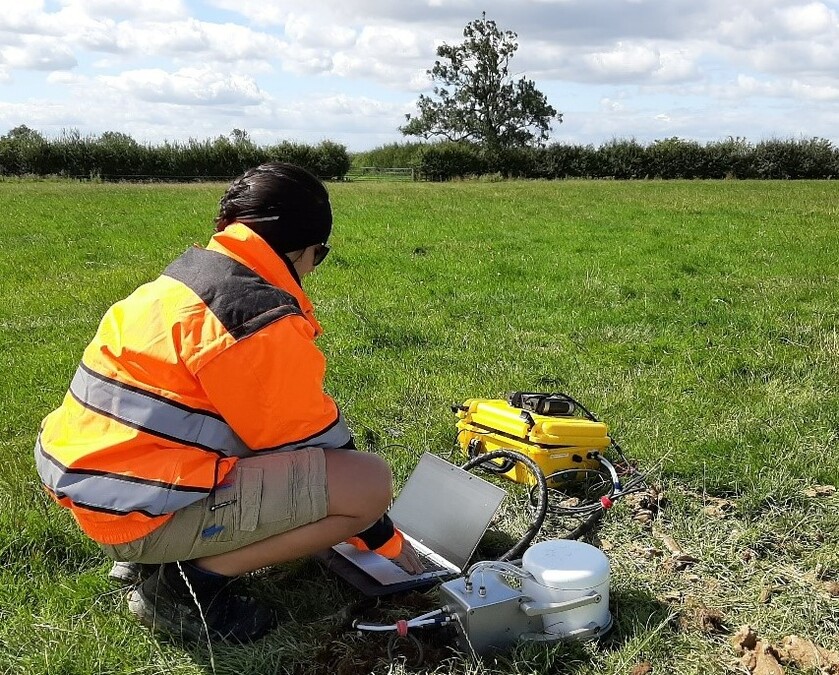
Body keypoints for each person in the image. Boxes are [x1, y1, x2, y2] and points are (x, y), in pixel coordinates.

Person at [34, 162, 423, 643]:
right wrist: (383, 536)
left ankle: (152, 561)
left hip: (101, 489)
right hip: (136, 513)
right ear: (300, 250)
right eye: (318, 255)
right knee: (367, 483)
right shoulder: (252, 316)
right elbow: (320, 448)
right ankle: (182, 589)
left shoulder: (183, 281)